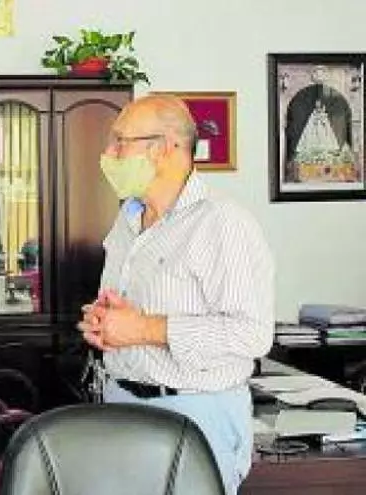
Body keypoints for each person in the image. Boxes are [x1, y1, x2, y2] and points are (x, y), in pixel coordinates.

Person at [78, 94, 274, 494]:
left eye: (120, 141)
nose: (108, 153)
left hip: (195, 412)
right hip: (120, 403)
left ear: (165, 148)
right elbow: (126, 312)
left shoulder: (222, 223)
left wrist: (144, 329)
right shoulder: (128, 218)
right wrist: (104, 322)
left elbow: (252, 334)